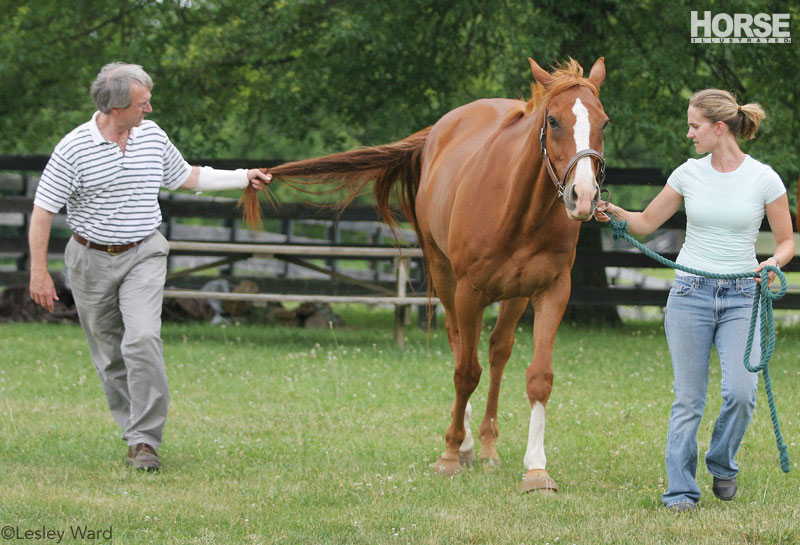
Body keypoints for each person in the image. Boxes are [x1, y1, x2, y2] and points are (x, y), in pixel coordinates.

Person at [28, 62, 272, 471]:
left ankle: (145, 442)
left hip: (143, 252)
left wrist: (242, 177)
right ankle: (132, 430)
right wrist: (38, 271)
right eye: (143, 103)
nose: (150, 109)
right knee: (109, 354)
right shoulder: (73, 148)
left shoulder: (151, 137)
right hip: (89, 259)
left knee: (141, 338)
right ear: (115, 107)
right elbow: (42, 212)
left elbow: (188, 177)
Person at [596, 89, 794, 512]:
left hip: (743, 295)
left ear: (718, 128)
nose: (689, 134)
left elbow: (787, 242)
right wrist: (611, 210)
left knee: (742, 393)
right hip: (691, 294)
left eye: (694, 126)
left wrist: (772, 262)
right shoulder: (688, 174)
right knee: (689, 399)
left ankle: (722, 461)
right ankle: (681, 491)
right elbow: (647, 222)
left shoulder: (764, 178)